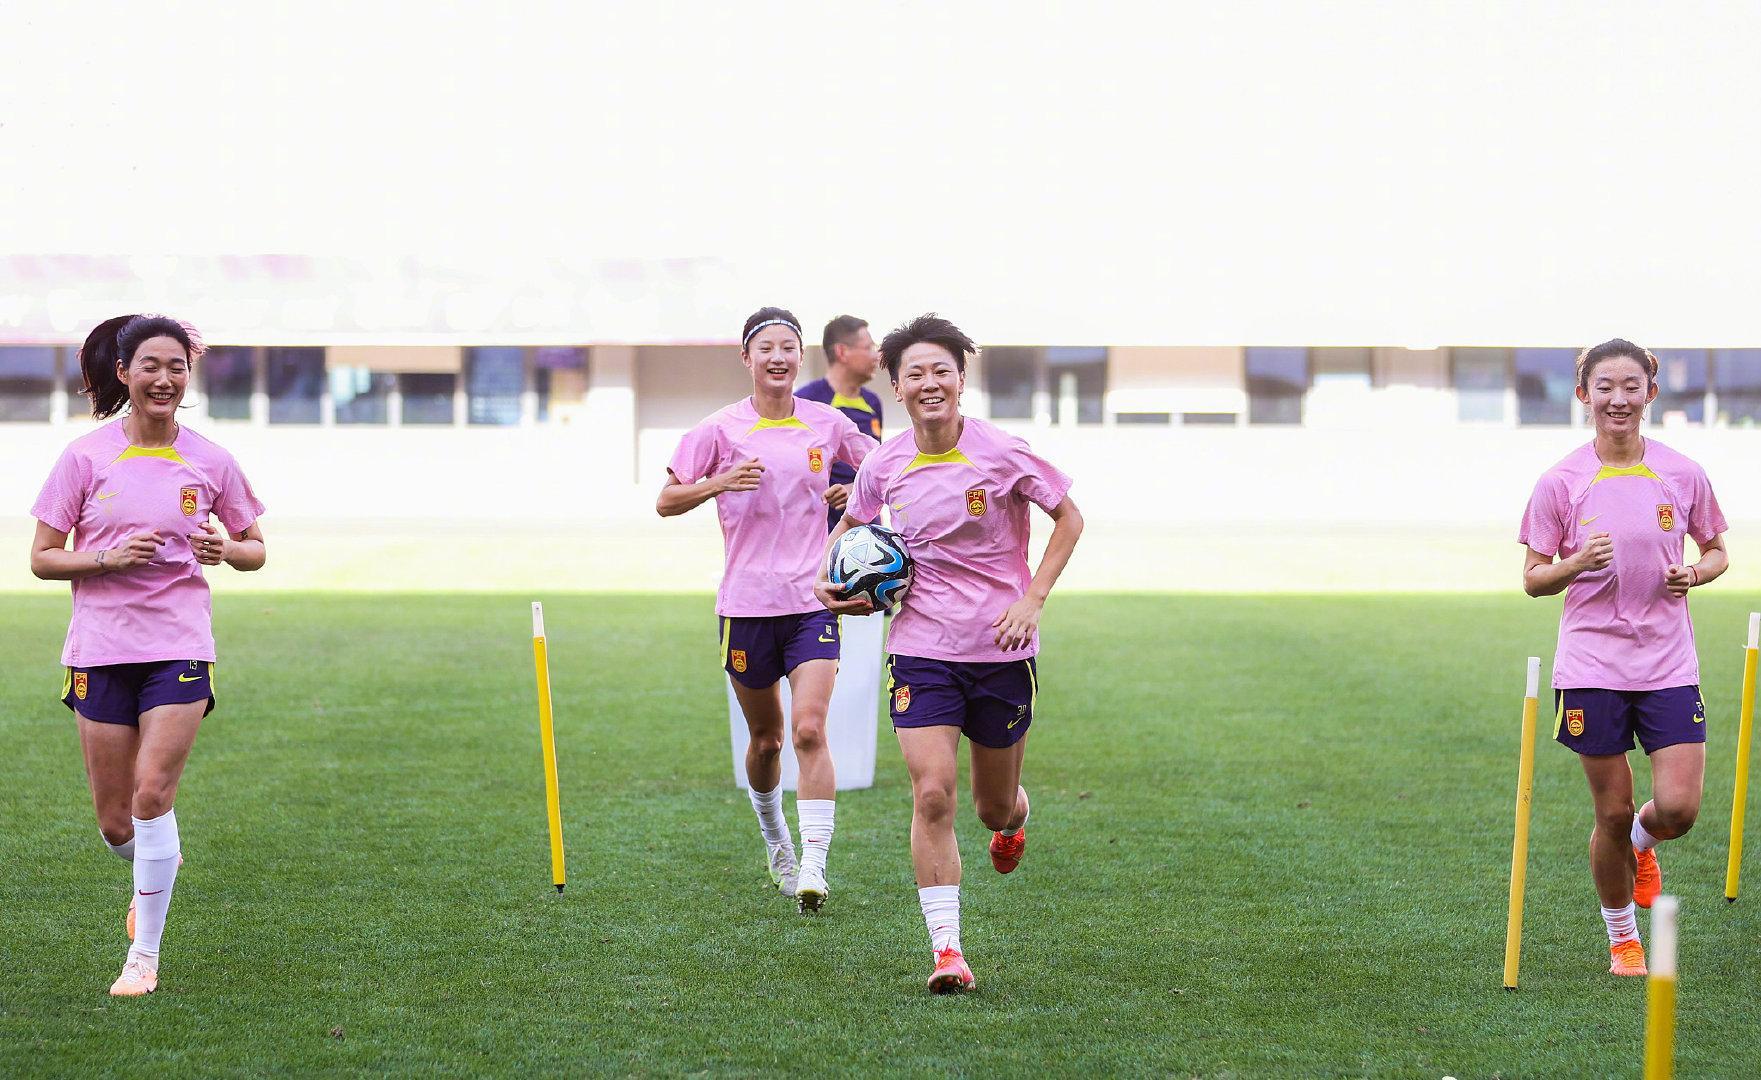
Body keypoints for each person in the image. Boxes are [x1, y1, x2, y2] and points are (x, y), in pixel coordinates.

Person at [816, 313, 1083, 992]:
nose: (929, 382)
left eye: (942, 370)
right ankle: (947, 951)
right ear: (897, 387)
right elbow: (850, 529)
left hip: (1000, 650)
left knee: (993, 807)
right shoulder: (885, 463)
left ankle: (1013, 820)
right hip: (921, 650)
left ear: (961, 380)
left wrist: (1032, 600)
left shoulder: (1002, 452)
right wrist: (828, 583)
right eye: (915, 373)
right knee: (932, 792)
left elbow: (1069, 516)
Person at [29, 314, 267, 997]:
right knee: (116, 824)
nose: (165, 379)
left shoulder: (211, 460)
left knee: (152, 794)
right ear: (124, 373)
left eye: (177, 367)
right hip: (101, 648)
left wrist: (228, 549)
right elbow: (42, 558)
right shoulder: (85, 457)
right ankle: (154, 866)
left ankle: (144, 957)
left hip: (179, 645)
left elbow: (255, 549)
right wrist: (107, 558)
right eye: (151, 366)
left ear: (188, 376)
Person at [1520, 338, 1727, 977]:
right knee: (1608, 811)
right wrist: (1576, 563)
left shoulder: (1682, 473)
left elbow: (1718, 551)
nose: (1618, 399)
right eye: (1604, 387)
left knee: (1679, 810)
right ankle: (1622, 938)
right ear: (1584, 394)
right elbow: (1533, 579)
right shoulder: (1560, 482)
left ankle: (1645, 840)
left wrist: (1695, 573)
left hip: (1668, 662)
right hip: (1592, 666)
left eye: (1631, 386)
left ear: (1650, 393)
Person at [658, 306, 873, 912]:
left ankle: (814, 865)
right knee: (767, 740)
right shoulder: (718, 429)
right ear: (747, 358)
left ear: (800, 357)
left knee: (809, 729)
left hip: (812, 601)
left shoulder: (827, 423)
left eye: (788, 347)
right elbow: (666, 499)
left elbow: (885, 470)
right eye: (766, 348)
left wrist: (854, 490)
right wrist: (718, 483)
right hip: (746, 606)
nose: (778, 357)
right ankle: (776, 840)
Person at [796, 315, 885, 531]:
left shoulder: (873, 402)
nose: (876, 355)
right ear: (842, 352)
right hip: (820, 531)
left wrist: (855, 489)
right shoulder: (805, 402)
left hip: (867, 531)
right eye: (869, 347)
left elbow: (878, 468)